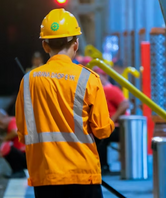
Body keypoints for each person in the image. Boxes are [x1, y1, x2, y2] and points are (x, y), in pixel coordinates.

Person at [15, 8, 114, 198]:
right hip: (83, 175)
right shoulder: (89, 79)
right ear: (76, 44)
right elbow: (102, 130)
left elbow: (23, 133)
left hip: (46, 176)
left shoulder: (29, 81)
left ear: (45, 46)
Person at [92, 66, 130, 174]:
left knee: (99, 135)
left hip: (118, 127)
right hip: (110, 125)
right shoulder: (97, 90)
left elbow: (125, 104)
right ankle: (101, 165)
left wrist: (112, 120)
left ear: (104, 76)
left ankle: (102, 166)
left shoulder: (110, 90)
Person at [0, 109, 27, 178]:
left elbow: (15, 132)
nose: (0, 127)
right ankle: (17, 170)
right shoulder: (11, 123)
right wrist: (0, 139)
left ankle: (19, 171)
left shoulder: (13, 121)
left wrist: (4, 139)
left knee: (6, 148)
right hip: (25, 155)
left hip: (27, 155)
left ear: (6, 116)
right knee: (7, 146)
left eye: (1, 123)